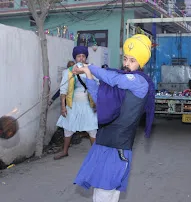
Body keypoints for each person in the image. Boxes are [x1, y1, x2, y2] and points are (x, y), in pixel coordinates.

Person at [73, 34, 155, 202]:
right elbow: (99, 99)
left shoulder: (140, 82)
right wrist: (88, 74)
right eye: (125, 59)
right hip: (103, 142)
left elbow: (113, 78)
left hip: (118, 147)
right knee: (102, 193)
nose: (126, 64)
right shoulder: (122, 82)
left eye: (132, 60)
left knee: (106, 192)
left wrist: (90, 66)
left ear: (141, 63)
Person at [54, 46, 98, 160]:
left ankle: (95, 155)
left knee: (92, 129)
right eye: (79, 56)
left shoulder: (91, 69)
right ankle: (65, 151)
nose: (81, 58)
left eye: (83, 56)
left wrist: (97, 104)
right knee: (68, 128)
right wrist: (63, 107)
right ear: (75, 58)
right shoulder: (68, 72)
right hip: (72, 105)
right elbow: (63, 91)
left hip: (88, 104)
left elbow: (97, 87)